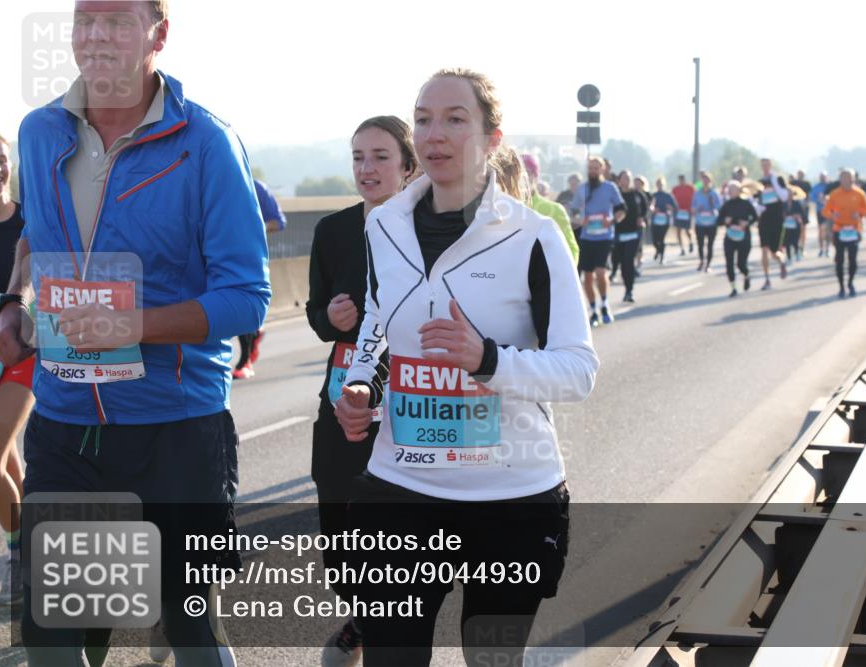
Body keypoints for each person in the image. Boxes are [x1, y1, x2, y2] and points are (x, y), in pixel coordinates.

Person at [0, 2, 272, 665]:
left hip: (173, 429)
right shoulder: (38, 131)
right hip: (65, 425)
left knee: (188, 627)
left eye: (118, 20)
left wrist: (129, 324)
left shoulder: (205, 142)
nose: (96, 35)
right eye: (86, 19)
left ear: (159, 34)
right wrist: (13, 300)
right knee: (55, 636)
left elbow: (247, 298)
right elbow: (37, 238)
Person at [335, 68, 599, 667]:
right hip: (401, 488)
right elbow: (379, 326)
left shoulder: (534, 237)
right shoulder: (382, 224)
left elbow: (578, 369)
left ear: (492, 139)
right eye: (424, 119)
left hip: (511, 497)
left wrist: (487, 360)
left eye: (456, 119)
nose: (436, 134)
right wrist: (360, 387)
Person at [306, 115, 417, 667]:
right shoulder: (332, 230)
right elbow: (314, 312)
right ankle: (364, 614)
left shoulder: (427, 228)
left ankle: (373, 626)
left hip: (405, 393)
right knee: (337, 517)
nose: (366, 168)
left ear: (407, 166)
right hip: (341, 389)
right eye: (357, 157)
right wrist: (329, 315)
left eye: (379, 157)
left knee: (393, 518)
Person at [0, 131, 33, 608]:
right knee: (7, 463)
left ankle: (20, 561)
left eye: (2, 161)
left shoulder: (29, 220)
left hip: (24, 352)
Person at [232, 179, 286, 379]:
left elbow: (278, 221)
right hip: (215, 256)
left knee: (241, 304)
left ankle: (244, 360)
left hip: (249, 258)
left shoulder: (256, 186)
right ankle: (255, 331)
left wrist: (252, 230)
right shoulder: (211, 183)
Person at [572, 156, 626, 326]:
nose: (593, 171)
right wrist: (581, 220)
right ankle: (593, 309)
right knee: (587, 277)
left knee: (600, 272)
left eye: (596, 168)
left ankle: (604, 303)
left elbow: (621, 210)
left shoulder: (610, 188)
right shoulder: (582, 189)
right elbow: (572, 212)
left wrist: (611, 221)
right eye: (590, 168)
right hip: (587, 238)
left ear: (602, 169)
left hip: (604, 237)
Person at [822, 168, 866, 298]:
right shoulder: (834, 194)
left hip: (854, 230)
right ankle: (841, 286)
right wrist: (833, 215)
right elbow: (825, 211)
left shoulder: (859, 193)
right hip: (839, 230)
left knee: (852, 260)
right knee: (839, 260)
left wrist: (860, 213)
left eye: (849, 177)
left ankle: (850, 283)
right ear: (840, 179)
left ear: (853, 179)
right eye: (843, 177)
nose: (846, 180)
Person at [522, 154, 579, 262]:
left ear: (535, 176)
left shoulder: (555, 210)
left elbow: (571, 249)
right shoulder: (504, 210)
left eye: (527, 172)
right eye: (517, 173)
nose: (522, 178)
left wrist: (562, 277)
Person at [717, 180, 757, 297]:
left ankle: (746, 275)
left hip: (744, 237)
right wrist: (725, 221)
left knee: (740, 264)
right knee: (729, 263)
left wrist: (746, 223)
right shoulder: (726, 205)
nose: (730, 191)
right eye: (729, 190)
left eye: (733, 189)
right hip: (729, 237)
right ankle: (733, 288)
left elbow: (754, 217)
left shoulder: (746, 204)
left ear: (739, 190)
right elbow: (718, 221)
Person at [614, 170, 648, 302]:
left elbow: (645, 208)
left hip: (634, 232)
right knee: (623, 263)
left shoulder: (637, 194)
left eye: (628, 178)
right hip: (619, 232)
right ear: (619, 180)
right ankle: (627, 287)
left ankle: (629, 291)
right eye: (624, 178)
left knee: (629, 260)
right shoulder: (616, 194)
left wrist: (642, 218)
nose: (626, 180)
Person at [755, 158, 789, 289]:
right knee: (764, 249)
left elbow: (784, 196)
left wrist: (774, 182)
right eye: (763, 165)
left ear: (771, 165)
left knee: (774, 253)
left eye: (767, 165)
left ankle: (782, 261)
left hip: (777, 219)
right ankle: (767, 279)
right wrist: (759, 208)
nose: (765, 167)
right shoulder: (759, 183)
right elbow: (756, 200)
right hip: (764, 220)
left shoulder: (778, 179)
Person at [691, 170, 721, 273]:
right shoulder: (697, 193)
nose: (705, 181)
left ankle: (708, 264)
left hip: (711, 222)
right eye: (703, 179)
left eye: (707, 180)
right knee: (700, 243)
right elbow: (692, 207)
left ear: (710, 181)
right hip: (700, 222)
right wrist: (696, 208)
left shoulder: (714, 194)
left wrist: (713, 205)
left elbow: (719, 207)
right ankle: (701, 261)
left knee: (710, 244)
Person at [650, 176, 676, 264]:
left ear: (664, 185)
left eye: (661, 184)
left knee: (661, 239)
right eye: (658, 184)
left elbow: (675, 207)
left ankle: (662, 256)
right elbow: (650, 207)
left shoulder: (668, 196)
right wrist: (653, 209)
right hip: (655, 220)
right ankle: (658, 250)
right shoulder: (654, 195)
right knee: (654, 240)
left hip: (665, 220)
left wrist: (670, 208)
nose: (659, 186)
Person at [671, 173, 695, 255]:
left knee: (687, 230)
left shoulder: (690, 188)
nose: (681, 181)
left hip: (687, 212)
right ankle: (682, 249)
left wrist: (691, 209)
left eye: (683, 179)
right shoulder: (675, 189)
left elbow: (694, 199)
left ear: (685, 180)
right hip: (678, 213)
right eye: (680, 180)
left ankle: (691, 242)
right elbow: (672, 200)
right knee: (678, 231)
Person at [790, 169, 812, 255]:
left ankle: (802, 247)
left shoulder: (807, 184)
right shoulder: (793, 183)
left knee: (803, 228)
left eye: (802, 174)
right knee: (793, 228)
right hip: (794, 209)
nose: (800, 176)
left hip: (804, 209)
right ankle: (794, 247)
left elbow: (808, 196)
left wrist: (805, 204)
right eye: (799, 174)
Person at [810, 171, 831, 257]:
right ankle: (821, 249)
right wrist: (819, 199)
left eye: (824, 176)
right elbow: (812, 198)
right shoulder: (816, 187)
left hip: (829, 211)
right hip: (820, 211)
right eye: (821, 176)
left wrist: (827, 199)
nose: (823, 178)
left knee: (828, 230)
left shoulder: (830, 186)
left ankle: (827, 249)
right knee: (820, 230)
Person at [782, 196, 804, 264]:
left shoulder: (796, 203)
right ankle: (789, 257)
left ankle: (797, 253)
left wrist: (796, 216)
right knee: (787, 241)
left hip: (795, 224)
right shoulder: (783, 204)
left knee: (795, 240)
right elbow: (780, 213)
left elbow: (801, 213)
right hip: (786, 225)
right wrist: (784, 216)